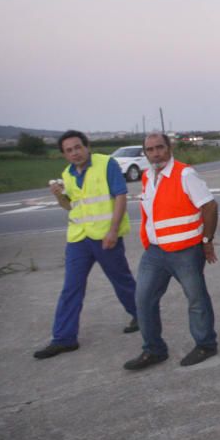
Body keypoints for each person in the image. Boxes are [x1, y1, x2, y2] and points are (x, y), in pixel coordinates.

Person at [34, 130, 139, 359]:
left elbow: (120, 196)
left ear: (87, 146)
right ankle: (64, 338)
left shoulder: (106, 164)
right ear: (64, 154)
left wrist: (112, 231)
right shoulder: (67, 174)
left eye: (78, 147)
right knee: (71, 287)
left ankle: (141, 315)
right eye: (69, 150)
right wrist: (58, 196)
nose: (75, 153)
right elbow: (71, 206)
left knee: (121, 280)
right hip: (78, 239)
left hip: (105, 236)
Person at [124, 132, 219, 370]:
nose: (156, 153)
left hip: (185, 251)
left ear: (169, 147)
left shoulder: (185, 174)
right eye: (150, 149)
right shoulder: (147, 176)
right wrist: (147, 241)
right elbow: (150, 213)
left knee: (196, 299)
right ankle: (154, 350)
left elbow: (209, 206)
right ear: (145, 153)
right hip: (155, 253)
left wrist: (206, 241)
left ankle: (206, 344)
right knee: (143, 299)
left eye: (160, 148)